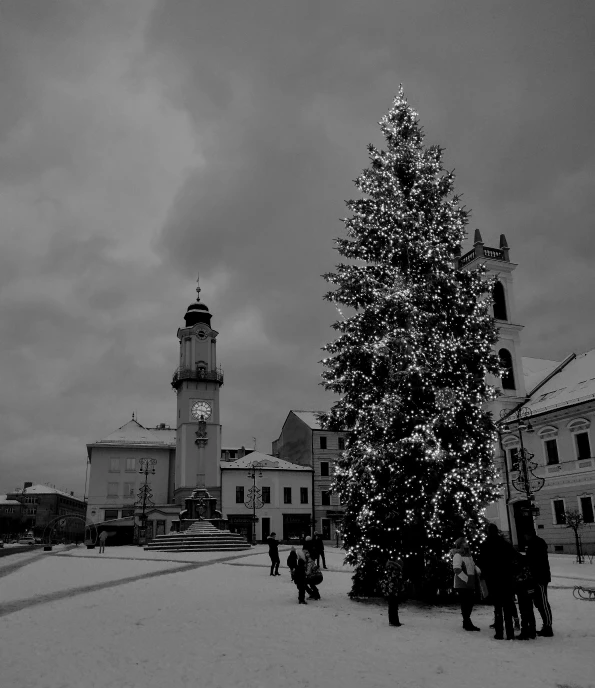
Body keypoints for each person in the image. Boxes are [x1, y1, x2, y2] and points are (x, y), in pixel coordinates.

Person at [479, 523, 517, 640]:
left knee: (498, 607)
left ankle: (499, 632)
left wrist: (485, 575)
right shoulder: (505, 544)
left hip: (493, 580)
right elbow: (514, 557)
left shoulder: (486, 545)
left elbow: (482, 562)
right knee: (507, 607)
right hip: (506, 579)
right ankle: (510, 633)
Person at [525, 529, 553, 637]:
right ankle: (546, 625)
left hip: (540, 577)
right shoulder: (532, 544)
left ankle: (548, 626)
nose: (525, 537)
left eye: (526, 535)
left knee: (543, 602)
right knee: (539, 602)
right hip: (536, 577)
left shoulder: (538, 544)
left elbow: (535, 560)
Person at [452, 536, 481, 631]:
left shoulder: (469, 555)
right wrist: (466, 579)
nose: (467, 544)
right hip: (463, 583)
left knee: (469, 602)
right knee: (466, 603)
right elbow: (456, 569)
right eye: (464, 542)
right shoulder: (458, 555)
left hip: (470, 583)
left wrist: (477, 570)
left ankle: (466, 622)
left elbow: (472, 565)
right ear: (461, 544)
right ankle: (467, 622)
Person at [511, 552, 536, 640]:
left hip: (522, 588)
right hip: (529, 587)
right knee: (529, 609)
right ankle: (532, 630)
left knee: (523, 610)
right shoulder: (525, 561)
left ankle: (525, 631)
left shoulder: (515, 563)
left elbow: (515, 575)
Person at [381, 558, 404, 627]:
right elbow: (397, 582)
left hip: (389, 591)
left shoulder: (390, 570)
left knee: (391, 606)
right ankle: (395, 622)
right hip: (394, 591)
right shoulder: (396, 571)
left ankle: (392, 621)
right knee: (394, 607)